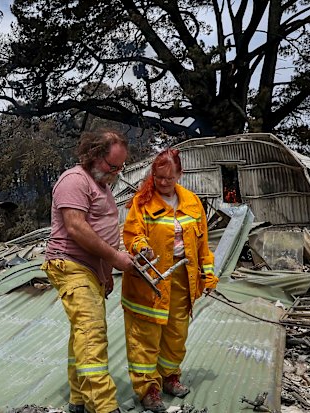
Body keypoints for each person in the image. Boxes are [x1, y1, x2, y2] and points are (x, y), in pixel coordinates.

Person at [41, 129, 135, 413]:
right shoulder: (73, 181)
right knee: (92, 334)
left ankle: (79, 399)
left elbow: (102, 233)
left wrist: (105, 272)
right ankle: (103, 407)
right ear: (94, 156)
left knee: (81, 335)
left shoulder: (101, 185)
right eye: (112, 166)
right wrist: (116, 259)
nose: (117, 172)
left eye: (121, 167)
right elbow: (77, 228)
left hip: (90, 270)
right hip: (70, 265)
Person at [121, 148, 218, 412]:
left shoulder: (192, 202)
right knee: (146, 337)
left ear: (180, 174)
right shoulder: (142, 203)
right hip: (148, 282)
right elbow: (131, 234)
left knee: (176, 333)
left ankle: (169, 376)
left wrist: (207, 274)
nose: (163, 183)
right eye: (158, 177)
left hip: (182, 278)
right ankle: (147, 389)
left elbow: (203, 246)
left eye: (169, 178)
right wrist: (141, 247)